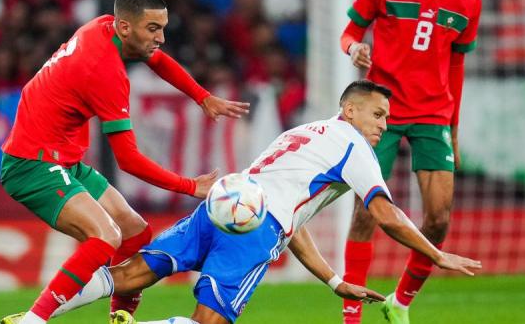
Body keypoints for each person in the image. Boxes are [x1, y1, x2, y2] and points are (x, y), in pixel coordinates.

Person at [44, 80, 481, 324]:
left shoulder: (304, 133)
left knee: (133, 273)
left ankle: (35, 317)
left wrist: (332, 281)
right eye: (378, 114)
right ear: (349, 110)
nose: (384, 126)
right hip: (254, 229)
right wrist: (435, 253)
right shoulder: (354, 149)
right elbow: (385, 213)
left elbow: (292, 217)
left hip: (226, 200)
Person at [0, 0, 250, 324]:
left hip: (64, 158)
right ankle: (34, 320)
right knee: (106, 236)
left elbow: (157, 59)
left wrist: (202, 96)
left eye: (162, 28)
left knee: (135, 233)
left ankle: (119, 316)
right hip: (33, 163)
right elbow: (128, 161)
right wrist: (190, 186)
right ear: (125, 27)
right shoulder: (105, 71)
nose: (160, 37)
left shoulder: (103, 26)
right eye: (153, 29)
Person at [338, 0, 481, 324]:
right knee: (366, 210)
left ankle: (399, 303)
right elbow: (350, 32)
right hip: (380, 110)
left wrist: (453, 126)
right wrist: (354, 49)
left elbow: (456, 66)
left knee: (438, 218)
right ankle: (351, 316)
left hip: (433, 114)